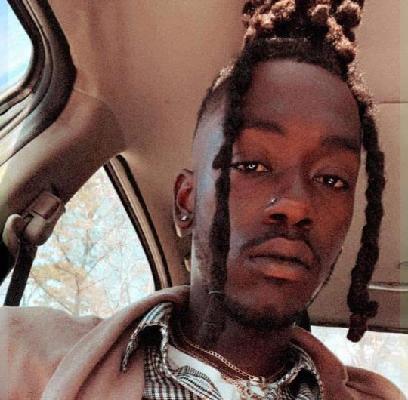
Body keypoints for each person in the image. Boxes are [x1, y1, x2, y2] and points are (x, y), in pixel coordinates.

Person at [0, 1, 405, 399]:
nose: (296, 205)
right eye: (252, 166)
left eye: (332, 179)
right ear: (186, 202)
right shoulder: (20, 353)